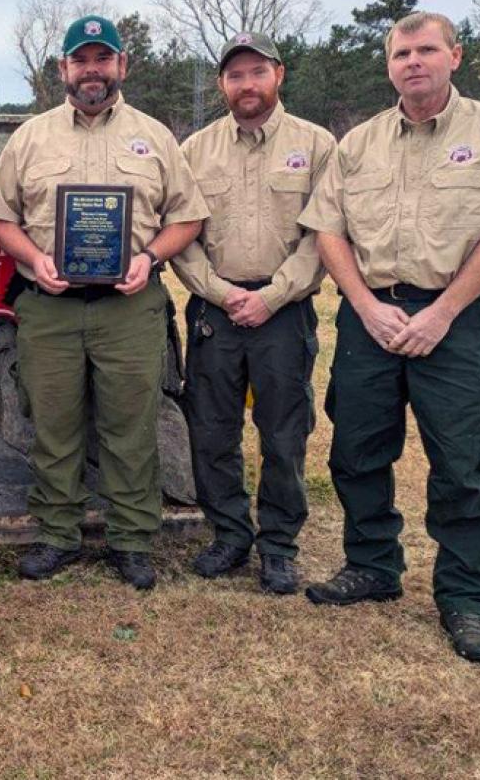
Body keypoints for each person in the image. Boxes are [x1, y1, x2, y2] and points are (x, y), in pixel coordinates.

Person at [298, 12, 480, 665]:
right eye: (401, 53)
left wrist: (443, 312)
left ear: (454, 56)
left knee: (460, 462)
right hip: (371, 314)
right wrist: (362, 303)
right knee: (356, 450)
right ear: (388, 64)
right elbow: (328, 229)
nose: (413, 62)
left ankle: (467, 595)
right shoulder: (357, 143)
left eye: (426, 50)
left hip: (457, 317)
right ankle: (371, 565)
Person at [0, 15, 208, 590]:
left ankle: (131, 540)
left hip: (129, 307)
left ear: (122, 66)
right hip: (49, 306)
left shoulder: (155, 137)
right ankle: (57, 534)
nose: (92, 70)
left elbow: (189, 216)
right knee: (54, 425)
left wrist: (149, 258)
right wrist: (34, 260)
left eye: (103, 59)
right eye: (81, 60)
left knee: (131, 427)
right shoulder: (31, 137)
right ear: (64, 69)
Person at [171, 32, 334, 594]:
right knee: (212, 430)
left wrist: (272, 295)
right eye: (236, 75)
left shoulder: (316, 146)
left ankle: (279, 545)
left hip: (284, 311)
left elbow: (325, 236)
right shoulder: (194, 151)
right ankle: (230, 534)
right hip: (215, 309)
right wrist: (220, 292)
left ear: (278, 75)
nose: (247, 84)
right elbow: (182, 235)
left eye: (257, 72)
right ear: (222, 84)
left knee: (283, 433)